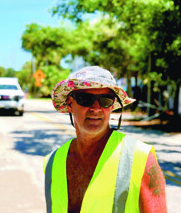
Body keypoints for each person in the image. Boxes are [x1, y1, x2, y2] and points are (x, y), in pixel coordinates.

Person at [44, 66, 167, 213]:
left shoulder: (140, 157)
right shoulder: (51, 162)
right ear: (70, 104)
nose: (96, 108)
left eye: (105, 100)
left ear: (112, 107)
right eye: (85, 99)